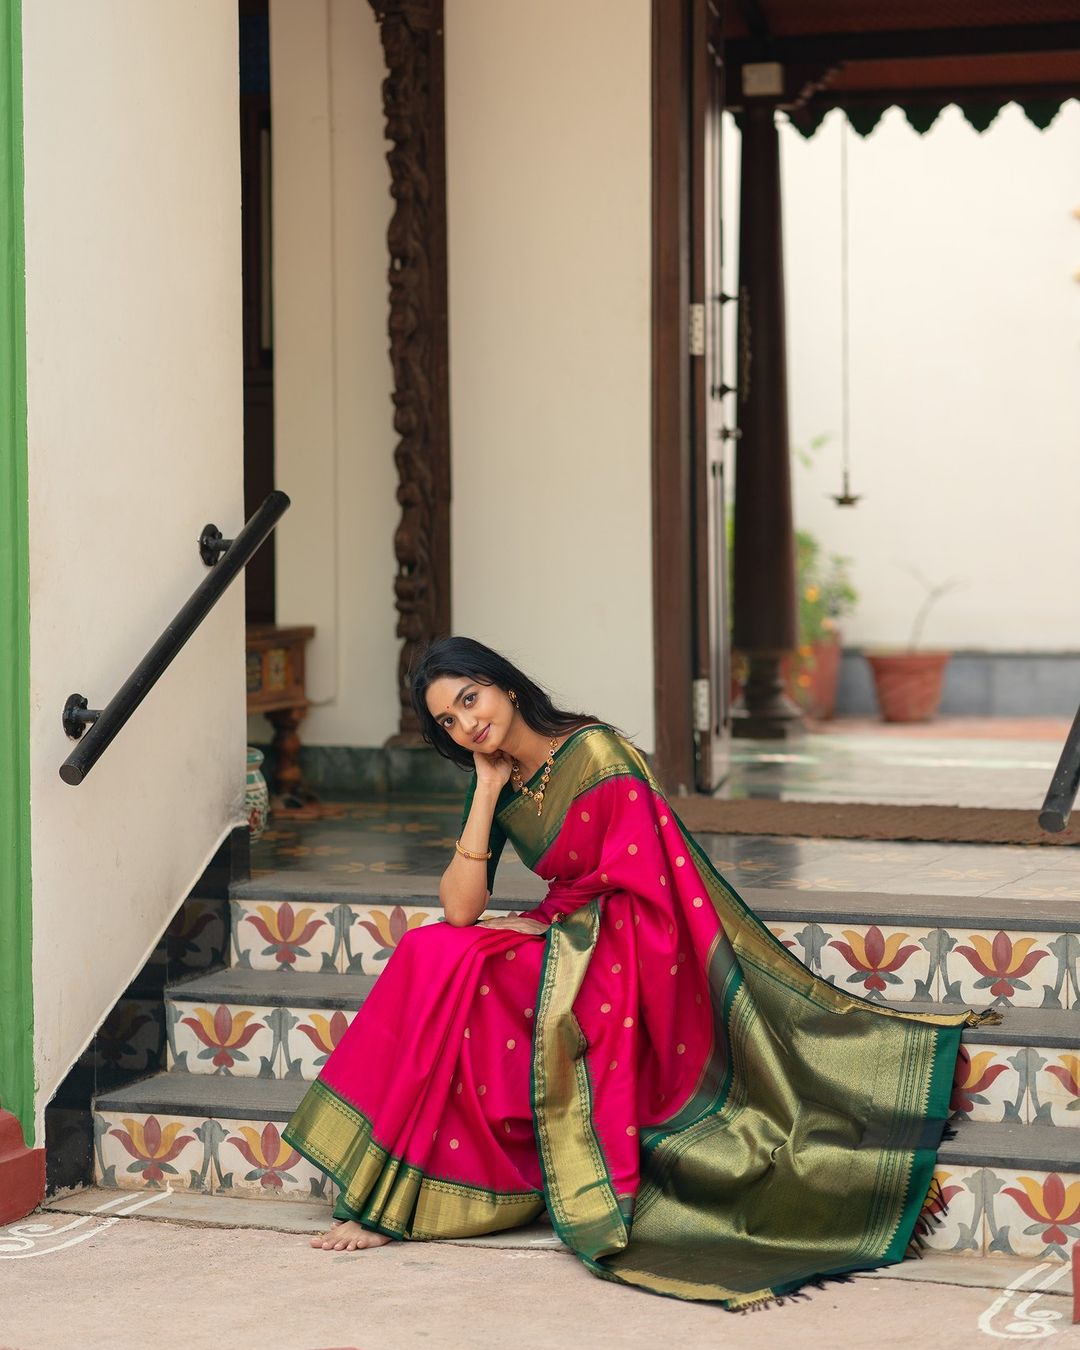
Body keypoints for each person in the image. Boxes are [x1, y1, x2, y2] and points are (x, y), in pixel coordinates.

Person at [283, 636, 993, 1310]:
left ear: (503, 684)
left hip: (625, 946)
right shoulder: (501, 777)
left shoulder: (596, 752)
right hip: (567, 932)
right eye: (448, 718)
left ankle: (417, 1192)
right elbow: (461, 909)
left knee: (461, 965)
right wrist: (484, 790)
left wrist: (554, 930)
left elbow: (647, 887)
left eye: (471, 699)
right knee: (432, 949)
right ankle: (410, 1185)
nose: (467, 722)